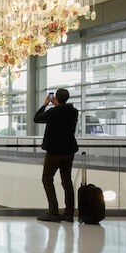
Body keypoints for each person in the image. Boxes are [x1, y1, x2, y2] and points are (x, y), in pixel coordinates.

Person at [35, 88, 79, 223]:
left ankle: (53, 212)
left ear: (56, 98)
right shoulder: (73, 112)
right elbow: (63, 113)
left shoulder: (53, 112)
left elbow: (37, 119)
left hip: (54, 152)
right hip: (69, 151)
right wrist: (58, 105)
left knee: (47, 179)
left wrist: (45, 104)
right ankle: (69, 213)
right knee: (67, 181)